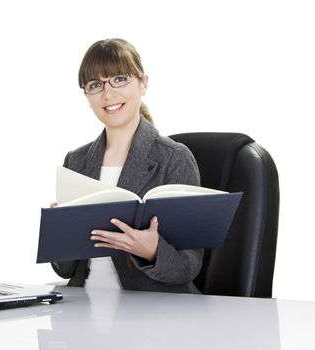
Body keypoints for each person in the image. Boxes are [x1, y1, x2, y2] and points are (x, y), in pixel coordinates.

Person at [50, 38, 203, 294]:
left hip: (153, 314)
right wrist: (60, 232)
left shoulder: (174, 158)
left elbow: (190, 265)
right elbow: (65, 270)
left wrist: (153, 251)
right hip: (82, 309)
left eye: (119, 79)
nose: (108, 93)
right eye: (95, 85)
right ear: (87, 96)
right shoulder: (75, 162)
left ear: (143, 84)